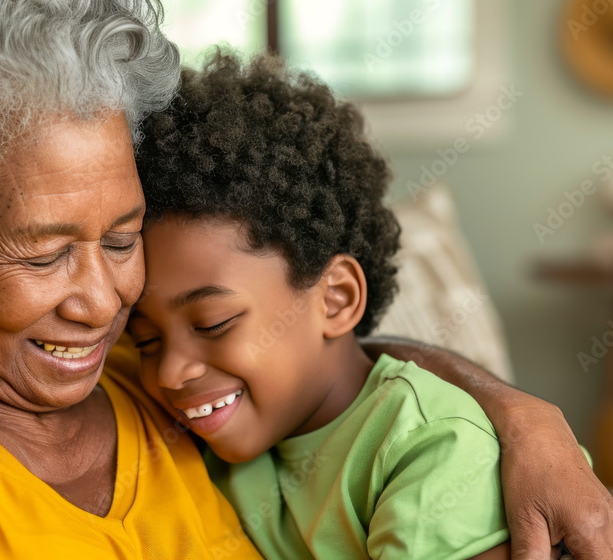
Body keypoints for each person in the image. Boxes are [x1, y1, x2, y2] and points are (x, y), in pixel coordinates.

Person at [0, 0, 613, 559]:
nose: (102, 302)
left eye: (122, 239)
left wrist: (525, 418)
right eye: (44, 255)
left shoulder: (154, 384)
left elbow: (320, 369)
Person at [130, 51, 508, 559]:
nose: (170, 372)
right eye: (147, 340)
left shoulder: (428, 447)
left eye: (213, 323)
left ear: (336, 298)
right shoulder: (210, 447)